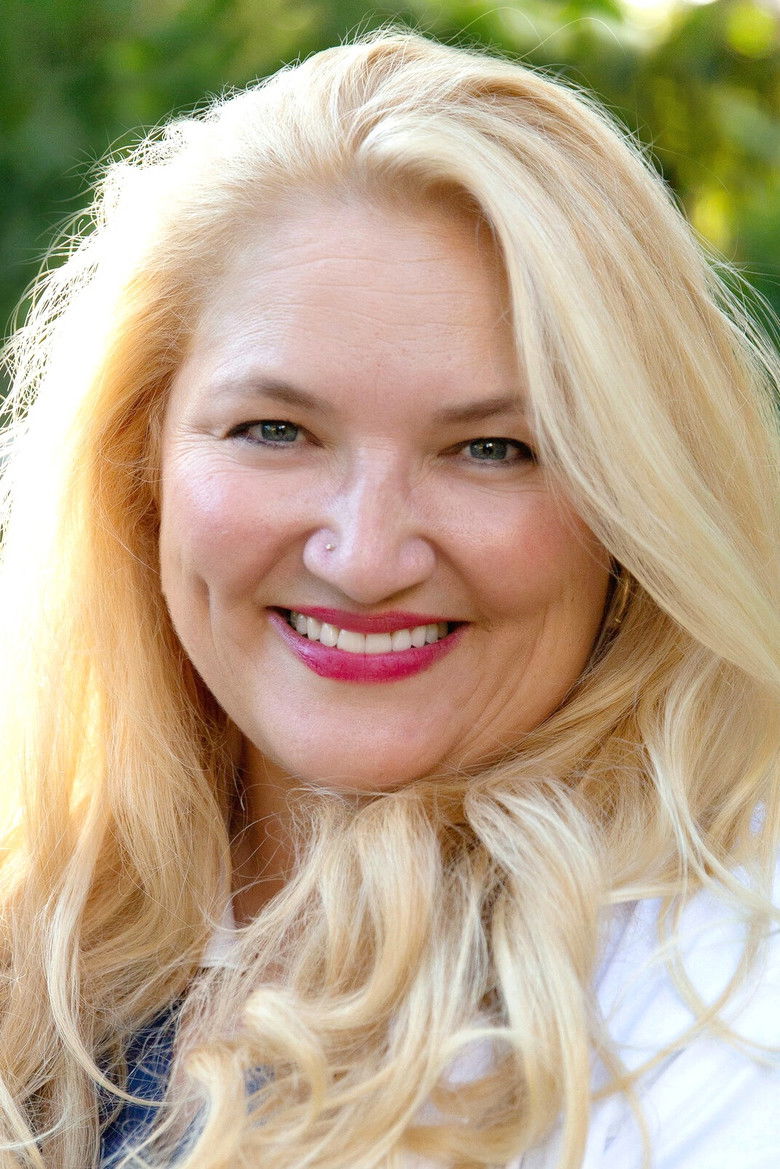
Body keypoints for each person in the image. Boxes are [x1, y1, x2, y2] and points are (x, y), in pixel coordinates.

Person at [0, 26, 777, 1169]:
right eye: (276, 430)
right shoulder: (51, 919)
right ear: (139, 456)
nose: (365, 557)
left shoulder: (717, 1006)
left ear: (634, 504)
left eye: (493, 449)